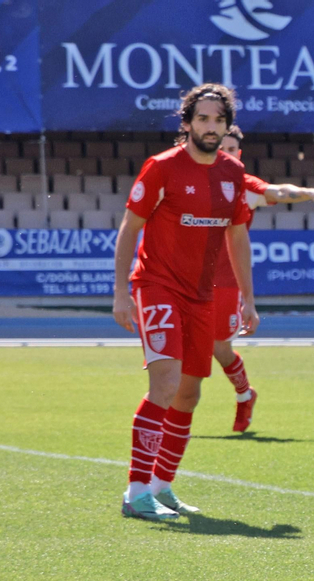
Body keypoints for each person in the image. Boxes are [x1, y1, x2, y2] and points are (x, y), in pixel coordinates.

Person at [111, 83, 254, 521]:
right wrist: (121, 291)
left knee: (189, 394)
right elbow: (130, 228)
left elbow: (237, 235)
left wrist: (247, 298)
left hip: (202, 295)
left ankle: (162, 486)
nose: (211, 127)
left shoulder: (231, 175)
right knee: (166, 384)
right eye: (204, 119)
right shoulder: (162, 168)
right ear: (187, 122)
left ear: (228, 125)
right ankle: (136, 491)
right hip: (157, 286)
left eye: (219, 120)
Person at [210, 126, 314, 432]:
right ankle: (166, 419)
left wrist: (308, 193)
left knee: (219, 349)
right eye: (218, 148)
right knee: (183, 348)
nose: (222, 154)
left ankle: (244, 395)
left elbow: (279, 191)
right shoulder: (187, 178)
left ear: (237, 155)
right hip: (186, 279)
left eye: (229, 150)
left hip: (225, 282)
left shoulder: (244, 185)